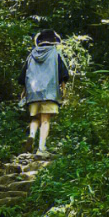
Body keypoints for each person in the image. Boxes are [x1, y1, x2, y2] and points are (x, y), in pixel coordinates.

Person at [21, 28, 70, 157]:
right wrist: (63, 90)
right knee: (45, 120)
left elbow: (24, 73)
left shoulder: (31, 54)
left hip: (33, 92)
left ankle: (32, 135)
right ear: (54, 40)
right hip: (49, 91)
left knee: (35, 117)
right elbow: (63, 73)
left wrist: (24, 91)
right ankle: (41, 148)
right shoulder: (55, 53)